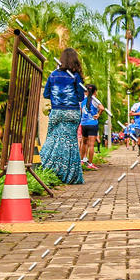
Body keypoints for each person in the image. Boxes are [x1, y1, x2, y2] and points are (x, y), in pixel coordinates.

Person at [41, 48, 86, 184]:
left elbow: (46, 94)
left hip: (56, 112)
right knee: (70, 143)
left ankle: (47, 169)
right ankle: (69, 176)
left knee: (52, 140)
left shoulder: (53, 75)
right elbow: (80, 96)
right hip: (72, 112)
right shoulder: (76, 76)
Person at [80, 84, 104, 170]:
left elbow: (80, 111)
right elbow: (102, 108)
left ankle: (82, 160)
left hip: (84, 124)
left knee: (84, 142)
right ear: (94, 91)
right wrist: (98, 114)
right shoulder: (95, 100)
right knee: (91, 145)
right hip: (92, 124)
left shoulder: (82, 100)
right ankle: (90, 163)